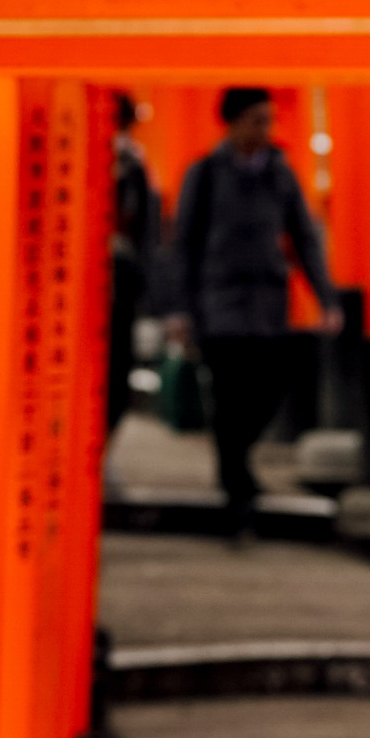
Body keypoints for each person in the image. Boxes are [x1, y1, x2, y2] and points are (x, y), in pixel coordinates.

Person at [165, 85, 340, 545]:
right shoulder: (204, 174)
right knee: (229, 401)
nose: (267, 129)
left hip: (267, 305)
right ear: (234, 122)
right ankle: (238, 500)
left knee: (267, 393)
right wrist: (181, 309)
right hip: (218, 307)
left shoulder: (281, 175)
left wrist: (327, 298)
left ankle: (236, 468)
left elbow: (304, 239)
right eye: (258, 120)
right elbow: (184, 245)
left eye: (270, 120)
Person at [108, 92, 159, 433]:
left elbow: (146, 229)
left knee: (115, 370)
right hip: (102, 279)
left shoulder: (132, 164)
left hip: (120, 279)